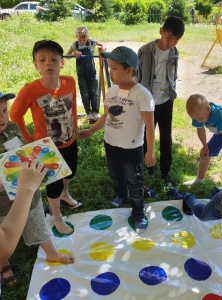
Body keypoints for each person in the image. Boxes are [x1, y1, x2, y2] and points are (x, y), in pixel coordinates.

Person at [78, 46, 156, 234]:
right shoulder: (112, 91)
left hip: (131, 149)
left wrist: (150, 151)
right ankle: (121, 193)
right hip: (111, 144)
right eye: (109, 67)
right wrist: (91, 130)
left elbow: (150, 125)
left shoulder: (142, 95)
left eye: (114, 68)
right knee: (115, 174)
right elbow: (106, 116)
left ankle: (138, 212)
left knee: (134, 181)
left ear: (129, 70)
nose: (110, 72)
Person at [0, 92, 74, 287]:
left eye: (4, 111)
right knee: (3, 240)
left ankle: (52, 253)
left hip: (29, 196)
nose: (2, 118)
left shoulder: (12, 127)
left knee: (38, 225)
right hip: (2, 206)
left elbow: (24, 153)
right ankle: (2, 263)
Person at [9, 40, 81, 235]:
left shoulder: (69, 82)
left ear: (62, 62)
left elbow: (72, 106)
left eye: (53, 59)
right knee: (53, 183)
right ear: (36, 64)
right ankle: (56, 216)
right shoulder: (30, 91)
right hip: (47, 148)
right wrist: (29, 140)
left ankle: (65, 194)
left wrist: (75, 127)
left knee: (70, 172)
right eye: (43, 60)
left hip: (70, 139)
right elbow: (15, 115)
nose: (48, 63)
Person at [135, 16, 185, 187]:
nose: (171, 43)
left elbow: (172, 75)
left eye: (176, 40)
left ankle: (165, 172)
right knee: (145, 135)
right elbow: (137, 76)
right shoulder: (145, 50)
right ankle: (148, 166)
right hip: (147, 102)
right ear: (161, 31)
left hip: (165, 102)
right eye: (169, 38)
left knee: (166, 138)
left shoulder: (174, 52)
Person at [66, 26, 105, 122]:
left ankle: (95, 112)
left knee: (94, 92)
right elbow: (67, 56)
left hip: (92, 71)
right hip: (81, 72)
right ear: (77, 36)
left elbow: (102, 44)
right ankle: (88, 113)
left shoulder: (91, 42)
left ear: (87, 36)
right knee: (85, 93)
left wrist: (103, 49)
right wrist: (74, 54)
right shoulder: (75, 45)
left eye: (83, 36)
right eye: (79, 36)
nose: (81, 38)